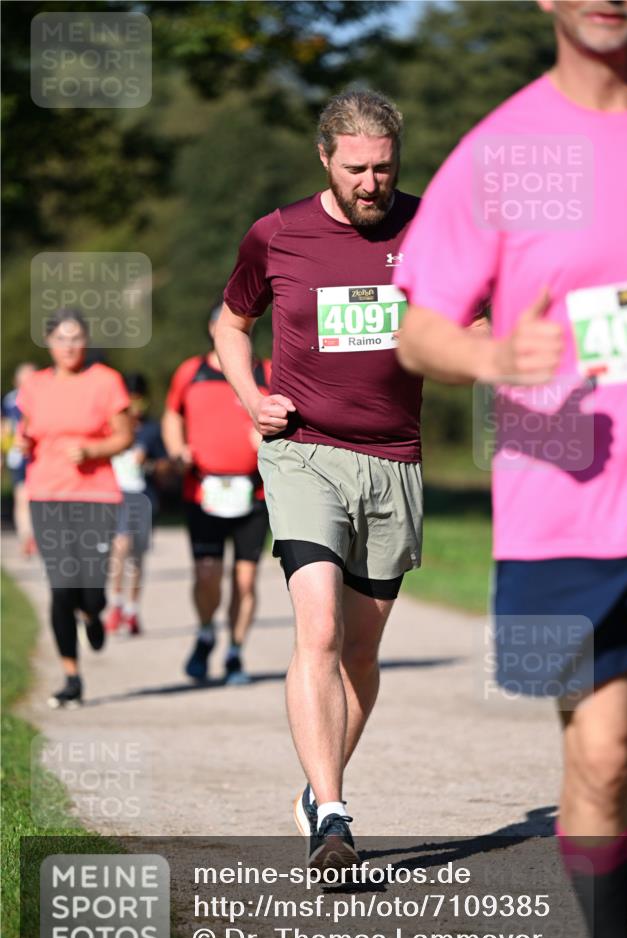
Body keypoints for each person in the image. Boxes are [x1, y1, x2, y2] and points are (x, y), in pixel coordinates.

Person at [395, 3, 627, 938]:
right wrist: (493, 356)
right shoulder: (498, 152)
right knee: (601, 756)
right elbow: (418, 329)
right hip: (555, 509)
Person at [214, 90, 426, 872]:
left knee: (360, 654)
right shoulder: (277, 233)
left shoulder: (430, 227)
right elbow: (230, 323)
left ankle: (316, 783)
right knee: (320, 629)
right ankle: (332, 816)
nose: (371, 184)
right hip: (302, 451)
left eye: (383, 168)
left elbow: (473, 316)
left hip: (394, 458)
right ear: (324, 158)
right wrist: (250, 396)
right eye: (355, 169)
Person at [16, 308, 132, 707]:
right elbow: (26, 433)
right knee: (61, 585)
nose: (69, 346)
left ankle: (93, 613)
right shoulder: (33, 385)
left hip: (95, 495)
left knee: (92, 591)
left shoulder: (106, 381)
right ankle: (71, 677)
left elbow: (125, 436)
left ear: (86, 341)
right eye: (61, 339)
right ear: (49, 342)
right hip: (46, 495)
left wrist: (92, 450)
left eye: (76, 338)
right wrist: (22, 443)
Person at [162, 305, 271, 686]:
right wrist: (177, 450)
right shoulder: (191, 372)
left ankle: (235, 652)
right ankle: (206, 632)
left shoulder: (267, 373)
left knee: (245, 580)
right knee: (207, 573)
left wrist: (269, 438)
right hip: (203, 490)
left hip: (254, 492)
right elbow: (172, 414)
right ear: (213, 329)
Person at [106, 372, 169, 636]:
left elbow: (165, 466)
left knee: (136, 557)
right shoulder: (109, 426)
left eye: (138, 399)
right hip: (116, 495)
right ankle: (116, 605)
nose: (134, 405)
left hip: (143, 497)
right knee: (120, 546)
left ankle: (132, 610)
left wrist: (150, 464)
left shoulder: (152, 429)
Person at [2, 362, 37, 556]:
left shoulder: (45, 398)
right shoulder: (10, 401)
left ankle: (36, 534)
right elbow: (5, 429)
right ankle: (26, 536)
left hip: (40, 455)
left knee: (36, 497)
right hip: (19, 456)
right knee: (22, 497)